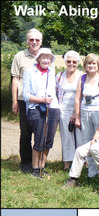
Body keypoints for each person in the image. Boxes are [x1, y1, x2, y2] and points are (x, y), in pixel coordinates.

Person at [22, 48, 60, 178]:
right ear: (38, 58)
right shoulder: (29, 72)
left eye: (48, 58)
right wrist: (41, 100)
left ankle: (42, 166)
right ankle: (35, 168)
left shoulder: (52, 72)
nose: (46, 60)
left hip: (53, 108)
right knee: (39, 138)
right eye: (43, 57)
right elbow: (26, 96)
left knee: (48, 139)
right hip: (36, 108)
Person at [11, 28, 43, 173]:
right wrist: (14, 101)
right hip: (24, 100)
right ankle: (25, 162)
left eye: (37, 40)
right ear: (27, 41)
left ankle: (39, 162)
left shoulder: (46, 56)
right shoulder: (20, 56)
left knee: (40, 132)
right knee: (25, 133)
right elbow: (15, 79)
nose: (34, 42)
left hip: (41, 101)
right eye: (31, 40)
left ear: (41, 42)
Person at [74, 53, 99, 178]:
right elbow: (77, 98)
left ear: (98, 66)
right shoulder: (82, 79)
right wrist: (77, 117)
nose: (92, 66)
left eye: (94, 63)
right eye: (89, 64)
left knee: (98, 141)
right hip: (85, 113)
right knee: (87, 141)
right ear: (85, 66)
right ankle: (91, 173)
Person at [56, 50, 83, 171]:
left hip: (79, 110)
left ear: (77, 63)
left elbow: (83, 95)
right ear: (65, 62)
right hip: (63, 110)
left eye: (74, 62)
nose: (71, 64)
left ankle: (82, 164)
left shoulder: (82, 76)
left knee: (81, 137)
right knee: (66, 137)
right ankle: (67, 164)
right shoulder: (60, 76)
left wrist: (75, 113)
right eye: (69, 61)